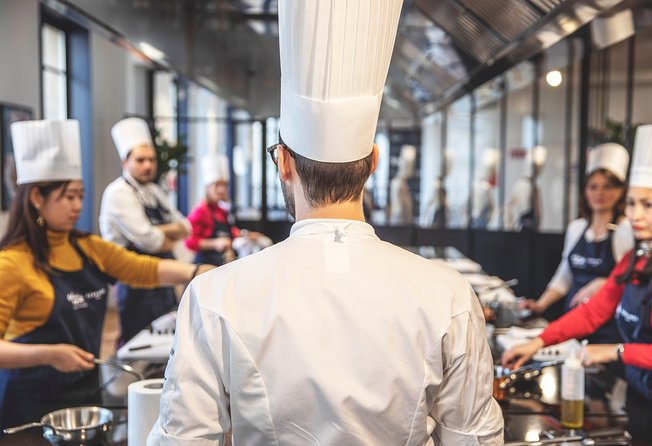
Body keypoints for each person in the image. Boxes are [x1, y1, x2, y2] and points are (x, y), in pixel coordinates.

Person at [148, 0, 503, 444]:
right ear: (373, 162)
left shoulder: (214, 296)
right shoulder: (448, 295)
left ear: (284, 165)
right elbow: (475, 440)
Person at [0, 120, 212, 429]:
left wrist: (196, 270)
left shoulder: (87, 248)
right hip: (27, 407)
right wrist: (49, 354)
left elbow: (143, 268)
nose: (78, 205)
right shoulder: (12, 263)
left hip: (83, 399)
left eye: (80, 195)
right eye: (68, 196)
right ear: (36, 198)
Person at [502, 124, 652, 444]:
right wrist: (537, 342)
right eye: (632, 204)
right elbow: (595, 311)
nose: (635, 215)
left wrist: (616, 351)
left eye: (648, 205)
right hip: (641, 394)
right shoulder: (636, 257)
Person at [521, 143, 633, 343]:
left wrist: (600, 284)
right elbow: (564, 277)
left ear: (620, 191)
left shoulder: (625, 230)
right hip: (573, 318)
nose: (599, 193)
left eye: (607, 187)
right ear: (585, 191)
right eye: (593, 187)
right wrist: (540, 305)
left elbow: (629, 280)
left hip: (607, 327)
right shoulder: (576, 228)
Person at [99, 117, 191, 344]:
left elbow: (186, 227)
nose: (147, 165)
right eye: (140, 160)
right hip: (135, 282)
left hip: (164, 279)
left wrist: (160, 232)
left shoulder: (154, 190)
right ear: (125, 162)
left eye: (151, 159)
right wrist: (167, 234)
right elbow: (150, 241)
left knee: (167, 340)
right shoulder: (118, 192)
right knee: (136, 342)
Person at [185, 153, 271, 266]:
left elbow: (230, 232)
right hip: (205, 265)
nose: (221, 190)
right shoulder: (200, 211)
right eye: (217, 185)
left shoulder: (221, 210)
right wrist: (214, 243)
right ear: (207, 188)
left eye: (224, 185)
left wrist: (248, 234)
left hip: (222, 263)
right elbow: (189, 242)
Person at [505, 145, 547, 231]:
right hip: (524, 231)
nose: (541, 169)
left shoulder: (530, 186)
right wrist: (511, 226)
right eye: (539, 166)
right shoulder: (526, 186)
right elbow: (511, 208)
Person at [471, 148, 500, 229]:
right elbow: (493, 207)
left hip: (477, 220)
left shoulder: (476, 185)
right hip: (479, 221)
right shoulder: (485, 187)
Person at [389, 144, 416, 225]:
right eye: (408, 165)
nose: (410, 169)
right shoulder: (397, 184)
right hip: (399, 228)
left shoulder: (404, 185)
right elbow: (397, 212)